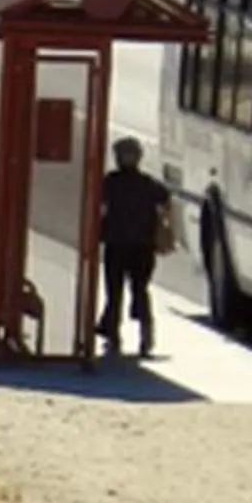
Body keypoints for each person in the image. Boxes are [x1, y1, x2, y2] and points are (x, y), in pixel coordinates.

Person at [97, 135, 173, 360]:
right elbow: (166, 200)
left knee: (114, 291)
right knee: (140, 289)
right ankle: (145, 334)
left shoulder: (110, 182)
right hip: (142, 246)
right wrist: (162, 226)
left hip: (116, 244)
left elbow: (98, 206)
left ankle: (112, 333)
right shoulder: (149, 184)